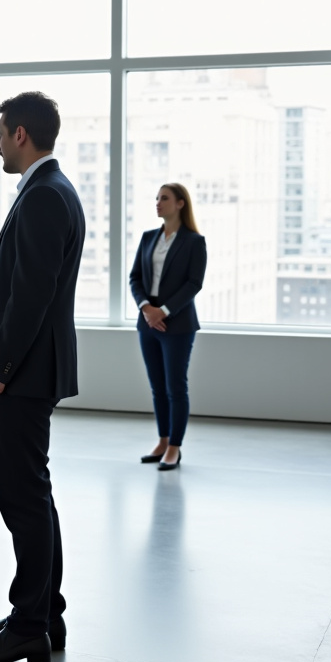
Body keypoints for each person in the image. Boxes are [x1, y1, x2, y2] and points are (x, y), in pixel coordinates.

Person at [0, 92, 84, 662]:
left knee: (21, 495)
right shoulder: (52, 191)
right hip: (34, 369)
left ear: (21, 135)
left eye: (0, 134)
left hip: (23, 373)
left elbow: (30, 296)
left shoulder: (43, 196)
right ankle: (41, 611)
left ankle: (30, 623)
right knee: (34, 492)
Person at [130, 183, 206, 471]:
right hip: (147, 322)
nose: (158, 203)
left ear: (180, 204)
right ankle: (162, 441)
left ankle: (175, 446)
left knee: (176, 386)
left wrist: (162, 311)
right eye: (157, 198)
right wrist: (146, 309)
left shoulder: (194, 242)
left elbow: (193, 284)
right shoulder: (149, 238)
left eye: (164, 198)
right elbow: (135, 278)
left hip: (178, 323)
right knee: (157, 387)